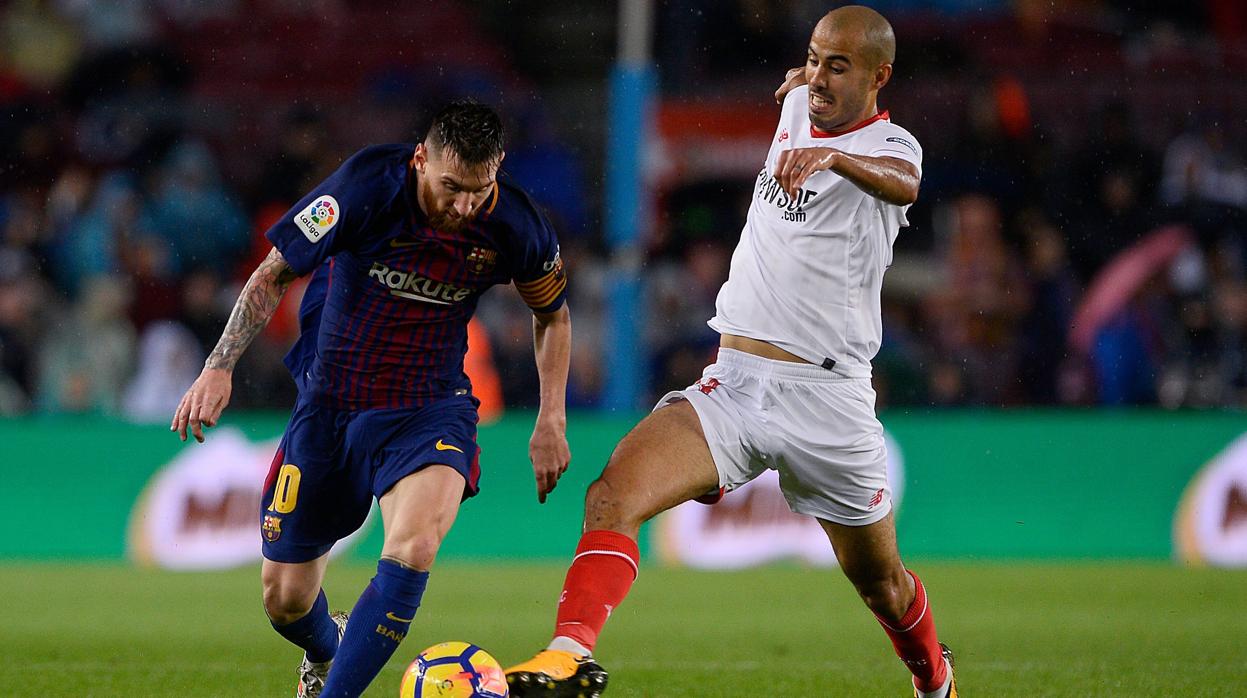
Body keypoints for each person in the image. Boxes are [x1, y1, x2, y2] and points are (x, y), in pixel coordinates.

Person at [504, 7, 956, 698]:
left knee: (882, 586)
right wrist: (803, 83)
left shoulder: (893, 144)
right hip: (736, 386)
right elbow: (804, 87)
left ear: (878, 75)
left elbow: (904, 183)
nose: (820, 75)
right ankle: (568, 655)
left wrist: (834, 155)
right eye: (813, 57)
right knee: (611, 496)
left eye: (839, 65)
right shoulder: (800, 101)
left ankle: (934, 680)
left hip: (827, 400)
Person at [170, 101, 572, 698]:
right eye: (451, 187)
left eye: (479, 189)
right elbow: (274, 273)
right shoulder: (365, 186)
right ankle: (327, 648)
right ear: (420, 160)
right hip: (330, 406)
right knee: (284, 600)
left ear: (499, 169)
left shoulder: (515, 223)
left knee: (412, 548)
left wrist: (551, 419)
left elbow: (552, 317)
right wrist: (218, 367)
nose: (464, 206)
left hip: (429, 407)